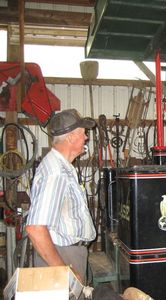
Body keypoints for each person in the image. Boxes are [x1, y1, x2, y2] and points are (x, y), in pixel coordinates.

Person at [26, 108, 96, 286]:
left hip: (69, 253)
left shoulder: (64, 167)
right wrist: (64, 270)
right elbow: (35, 228)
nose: (86, 138)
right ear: (71, 137)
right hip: (62, 256)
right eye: (83, 133)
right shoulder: (55, 172)